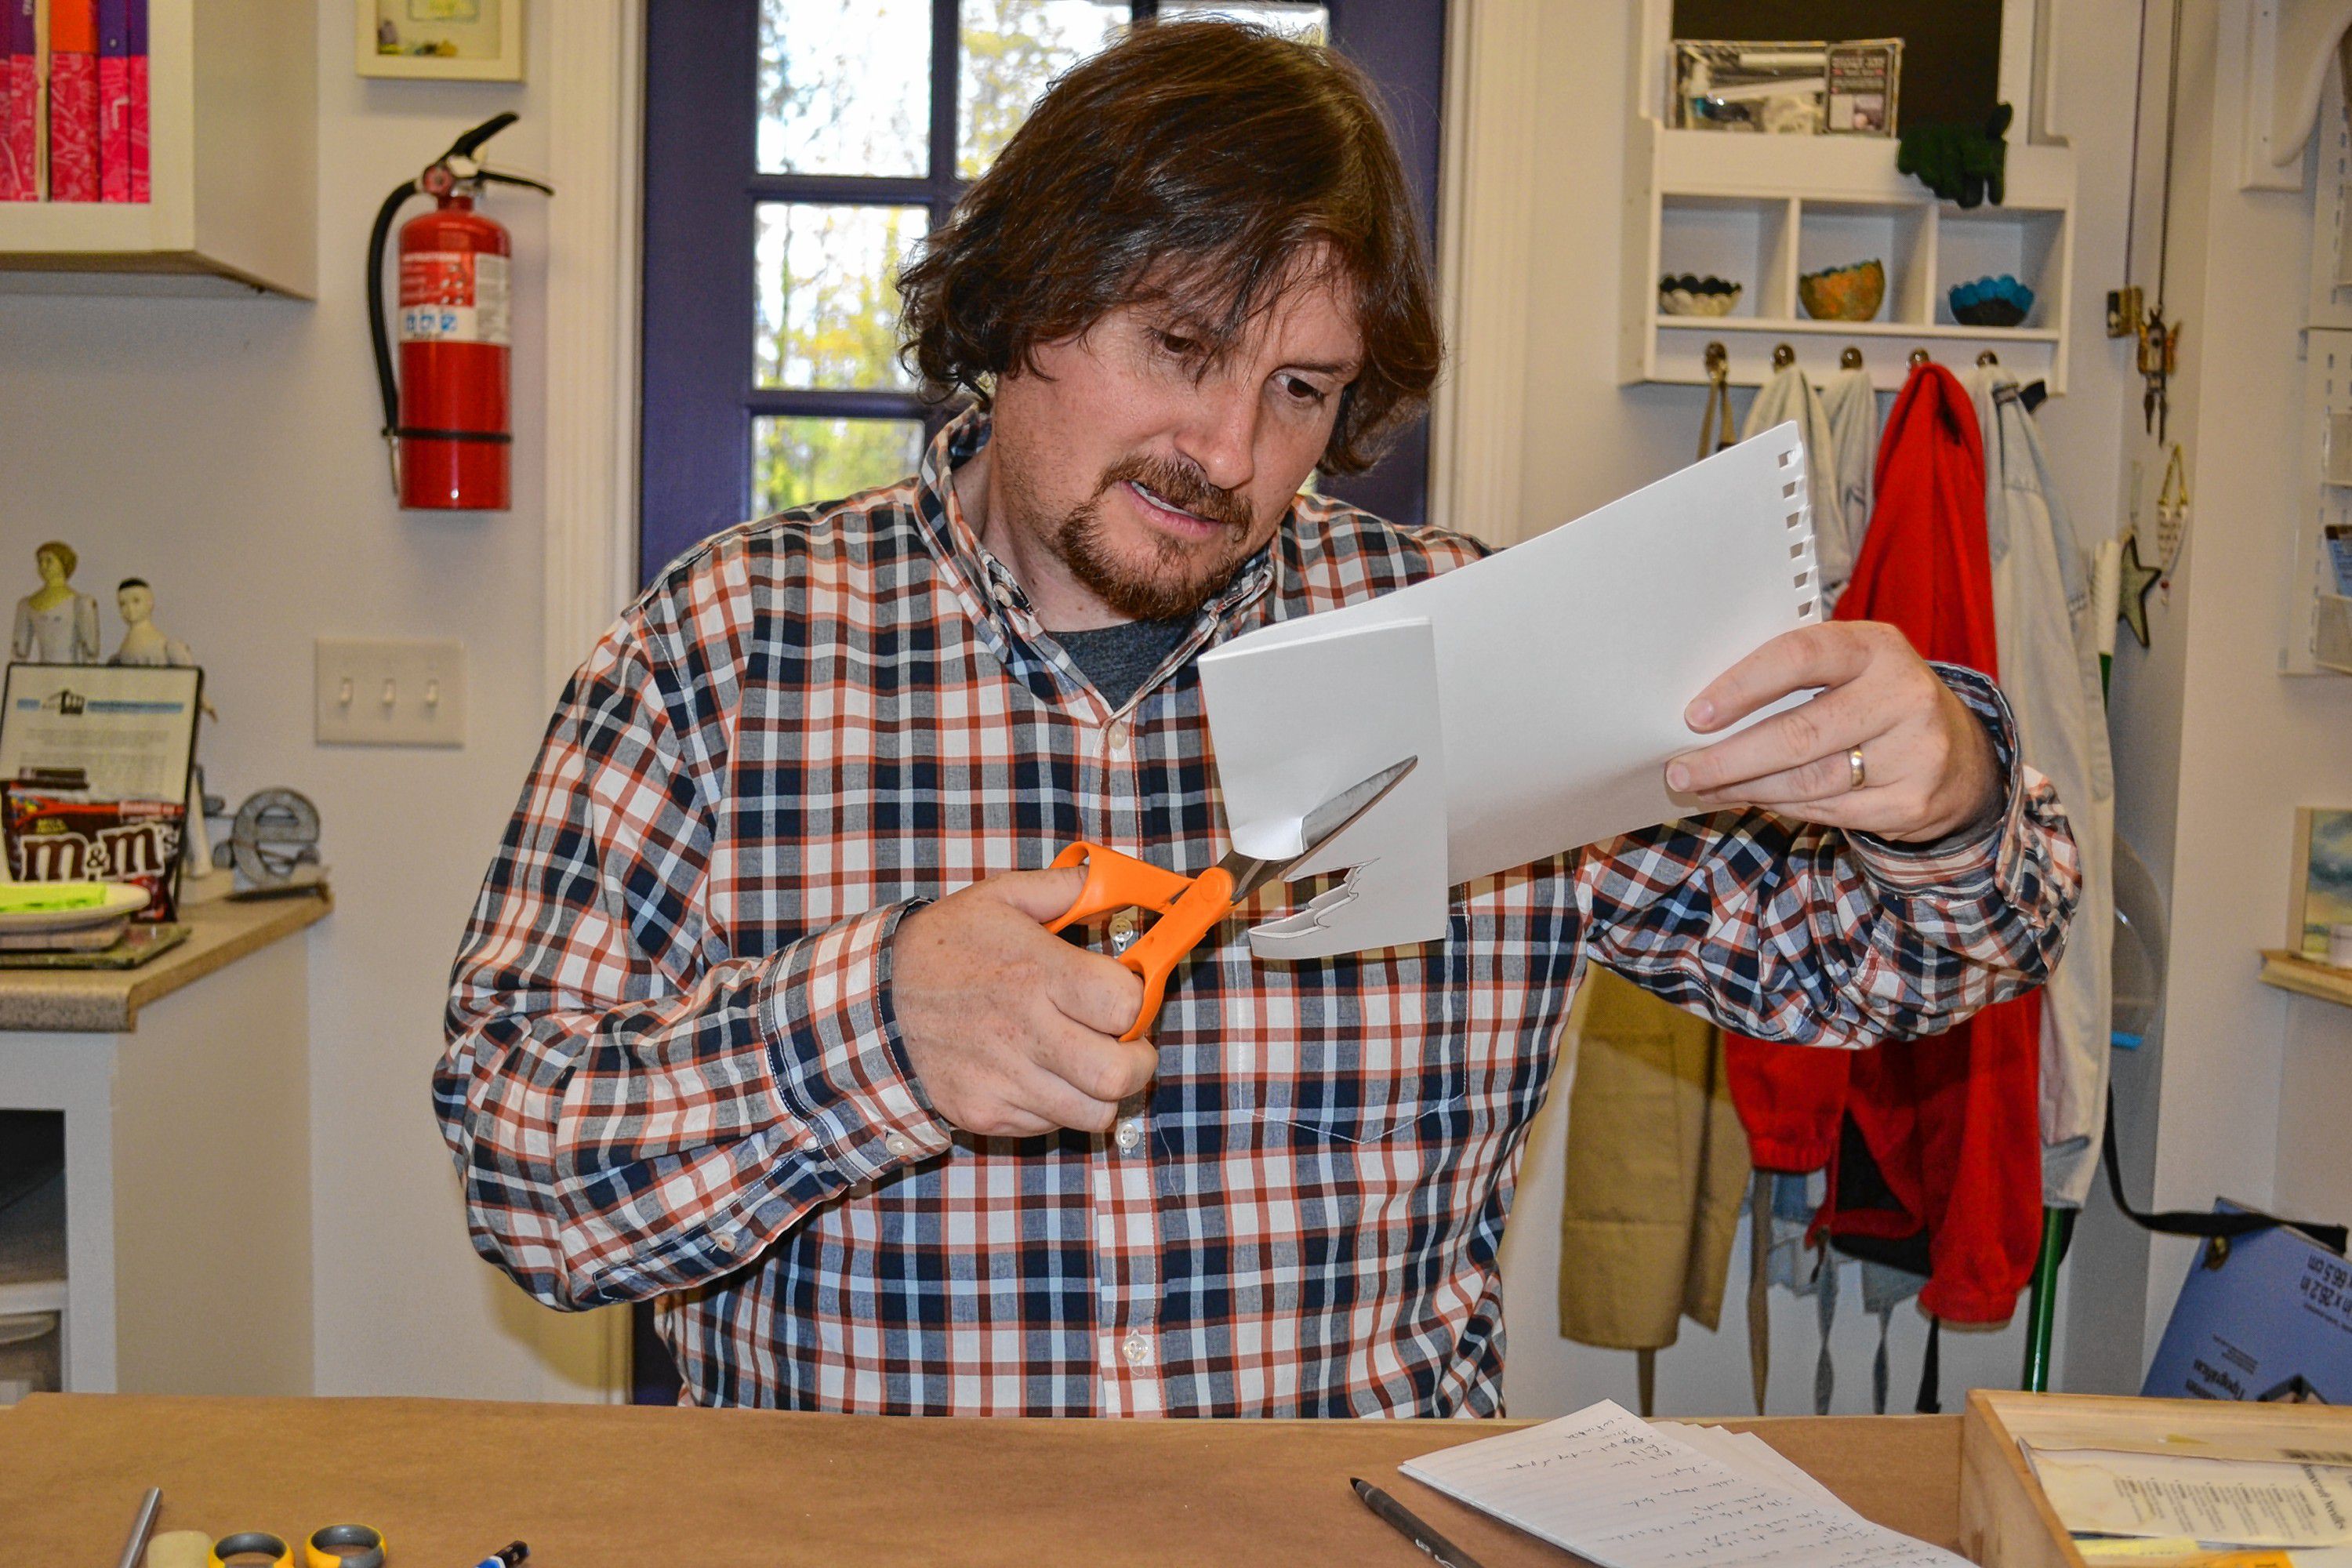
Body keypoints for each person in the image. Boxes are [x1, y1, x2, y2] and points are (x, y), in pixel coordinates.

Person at [437, 20, 2078, 1415]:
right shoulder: (720, 649)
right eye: (1181, 344)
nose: (1229, 449)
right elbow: (524, 1176)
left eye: (1299, 388)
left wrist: (1947, 794)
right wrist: (867, 1034)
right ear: (1019, 308)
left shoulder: (1469, 651)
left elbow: (1888, 970)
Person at [12, 541, 101, 665]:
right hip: (41, 673)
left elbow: (90, 651)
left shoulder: (80, 602)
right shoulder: (26, 604)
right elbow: (19, 651)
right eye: (40, 561)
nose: (43, 565)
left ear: (63, 563)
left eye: (49, 561)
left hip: (70, 672)